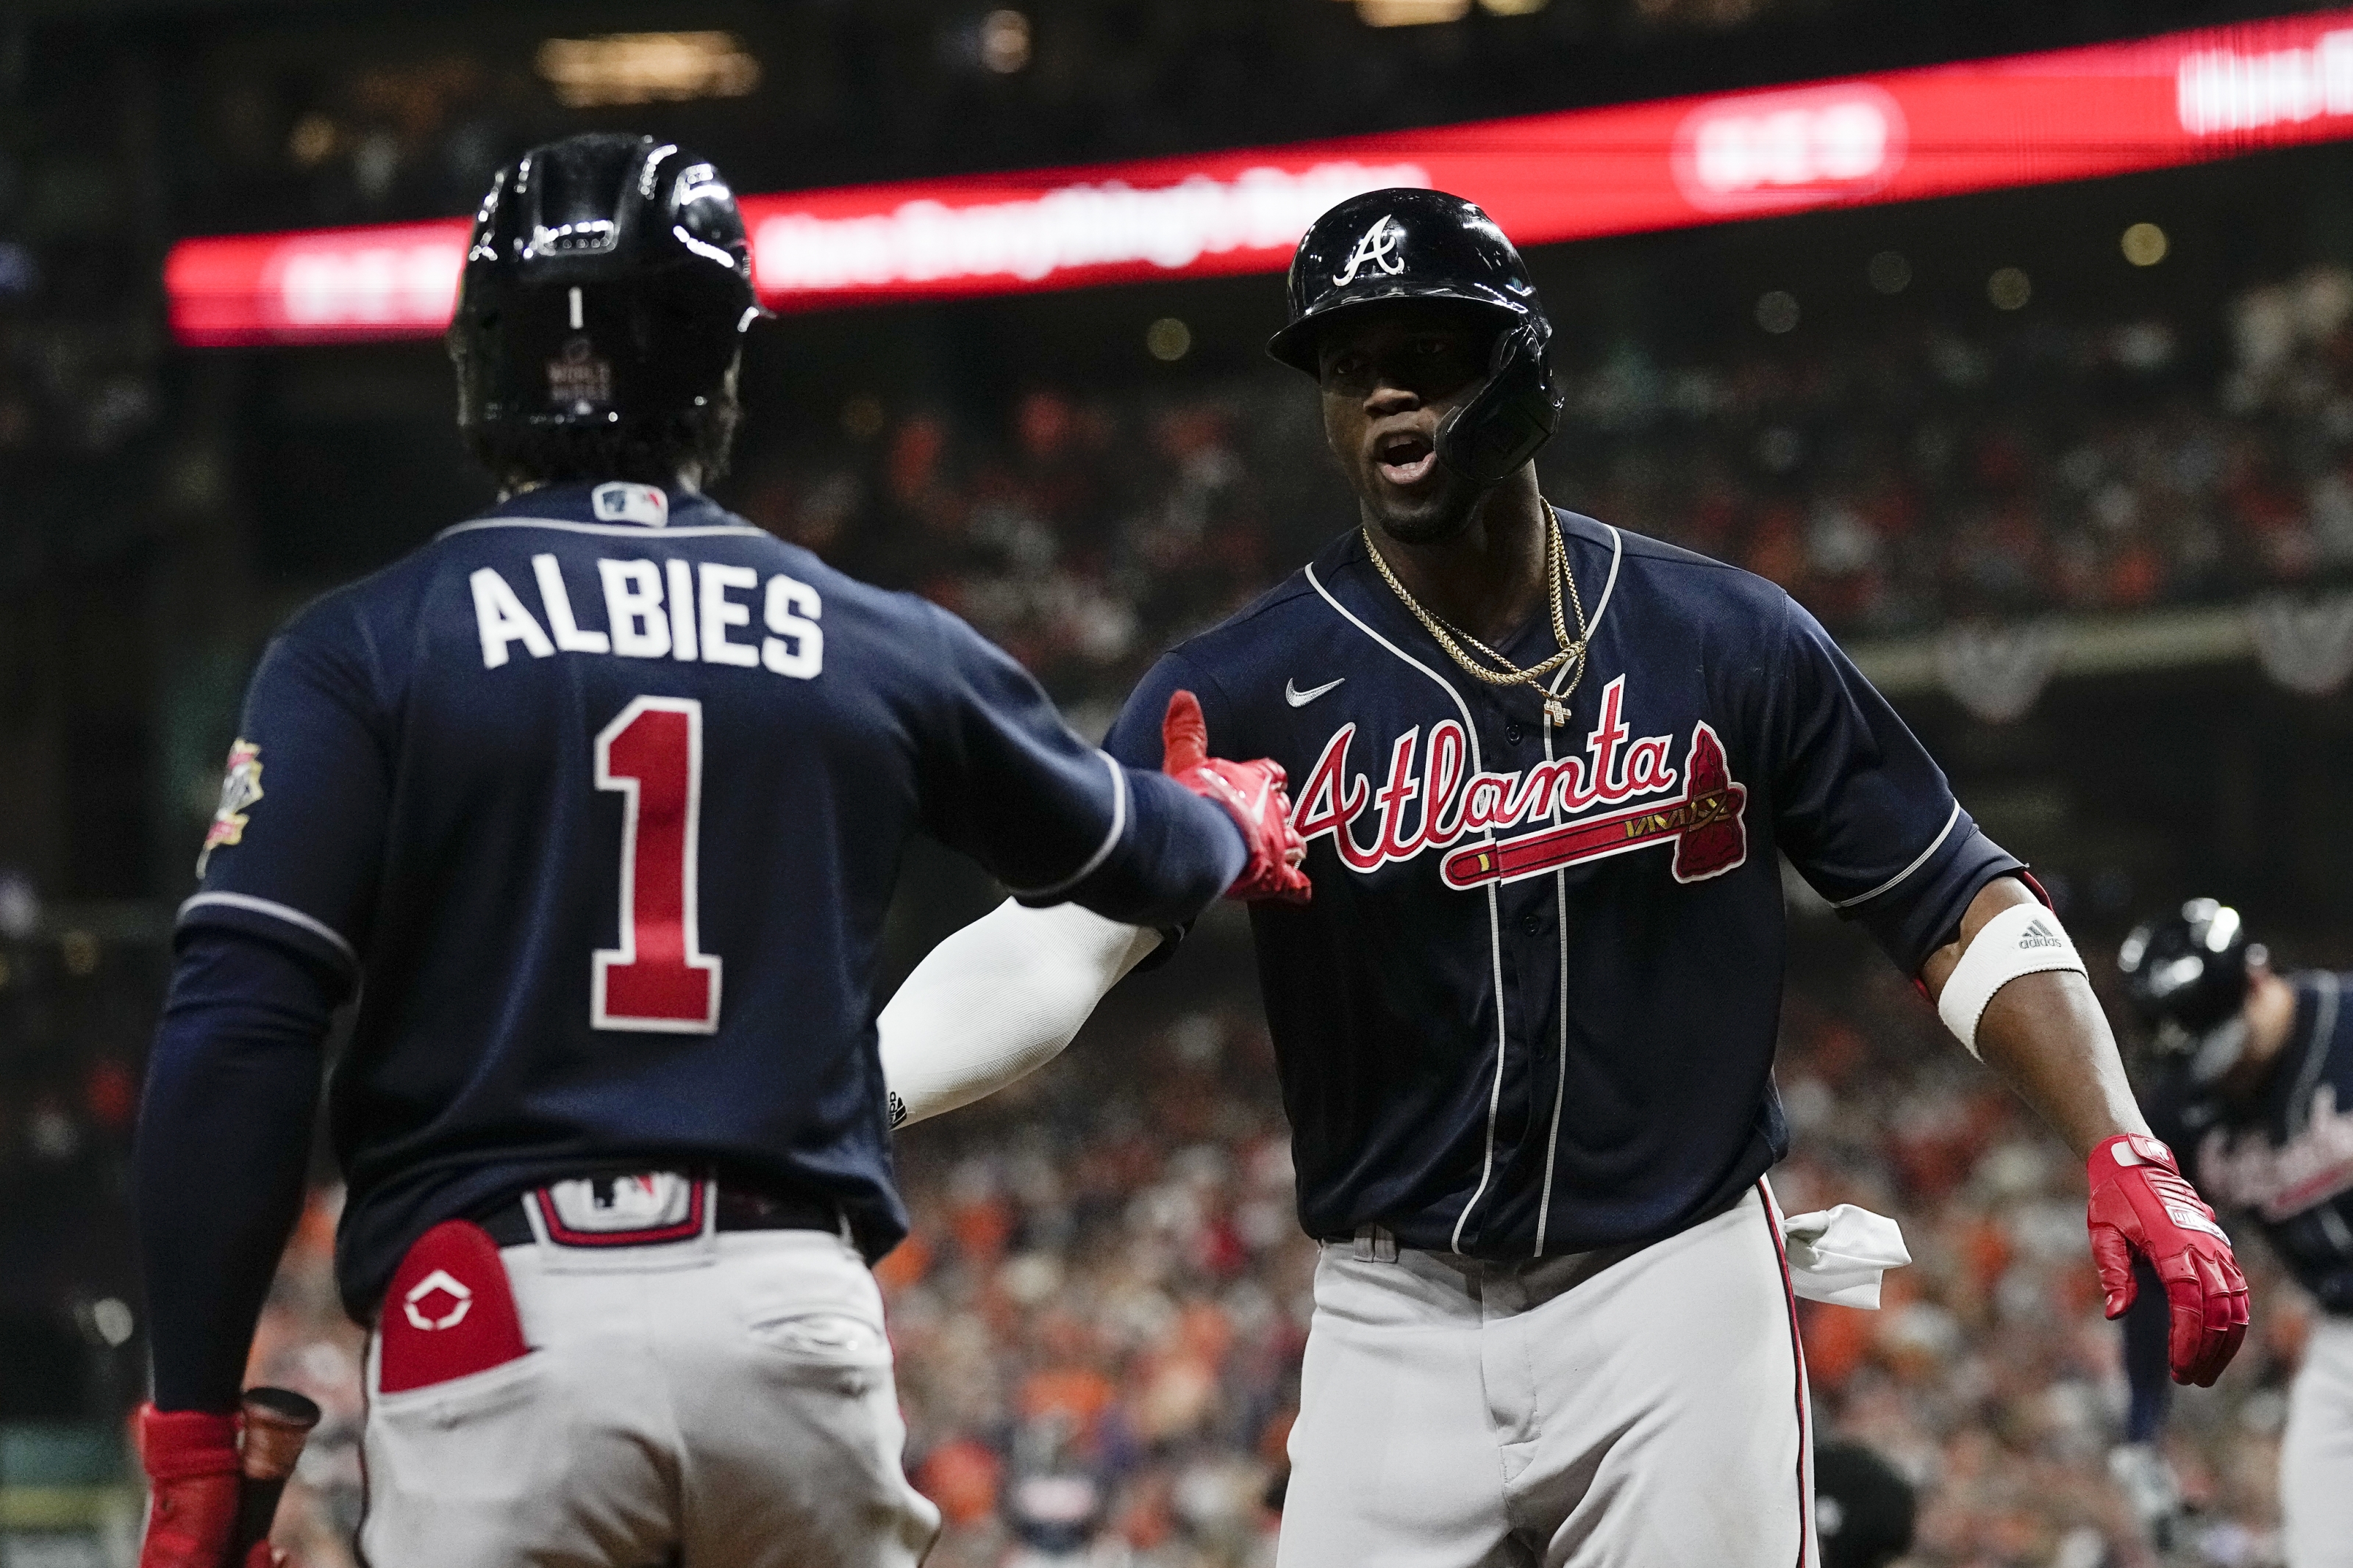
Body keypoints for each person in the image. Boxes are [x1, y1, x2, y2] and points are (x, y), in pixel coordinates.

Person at [876, 188, 2249, 1567]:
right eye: (1351, 366)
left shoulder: (1729, 637)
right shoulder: (1238, 691)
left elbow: (1954, 900)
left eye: (1429, 349)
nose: (1388, 391)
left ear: (1525, 366)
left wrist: (2117, 1131)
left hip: (1675, 1281)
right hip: (1390, 1309)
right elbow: (1057, 942)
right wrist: (849, 1088)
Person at [129, 132, 1307, 1568]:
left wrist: (191, 1428)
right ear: (719, 367)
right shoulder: (872, 634)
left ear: (479, 362)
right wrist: (1225, 818)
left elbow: (240, 1024)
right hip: (787, 1317)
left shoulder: (369, 644)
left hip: (498, 1316)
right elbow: (1131, 852)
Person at [2110, 899, 2353, 1568]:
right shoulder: (2189, 1108)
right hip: (2338, 1337)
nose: (2222, 1074)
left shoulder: (2346, 1025)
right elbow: (2159, 1267)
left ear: (2258, 978)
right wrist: (2143, 1427)